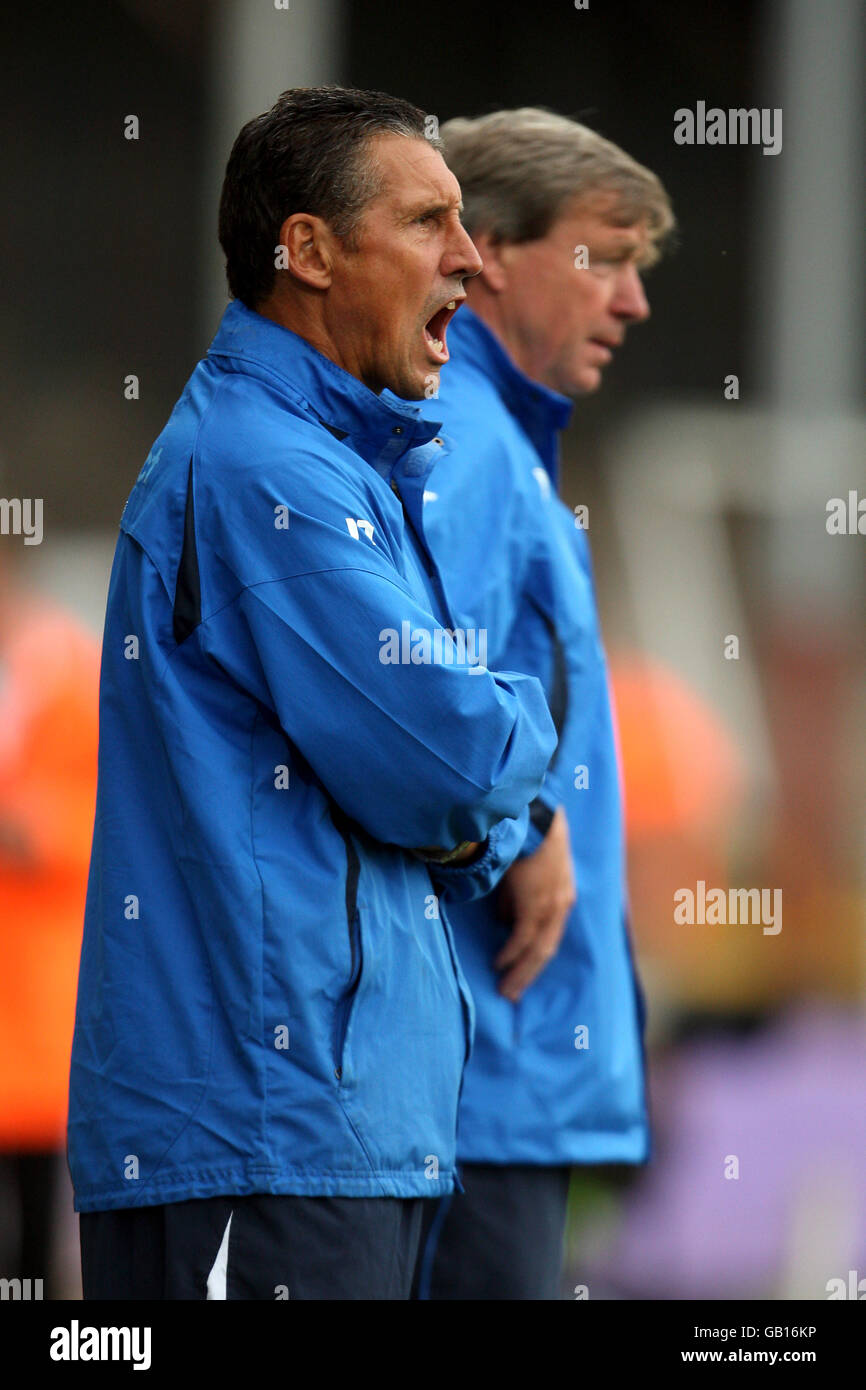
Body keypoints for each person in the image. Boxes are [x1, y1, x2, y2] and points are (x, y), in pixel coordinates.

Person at [68, 87, 558, 1302]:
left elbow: (407, 762)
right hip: (262, 1139)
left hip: (326, 1138)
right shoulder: (265, 470)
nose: (468, 259)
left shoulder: (327, 459)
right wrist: (527, 750)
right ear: (309, 251)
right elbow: (439, 754)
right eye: (428, 221)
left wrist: (507, 820)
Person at [412, 108, 675, 1299]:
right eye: (603, 257)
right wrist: (523, 827)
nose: (631, 302)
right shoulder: (460, 446)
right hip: (480, 1073)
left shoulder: (495, 444)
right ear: (491, 253)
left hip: (498, 1068)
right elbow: (406, 697)